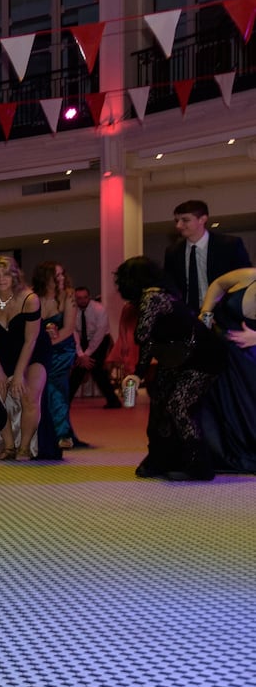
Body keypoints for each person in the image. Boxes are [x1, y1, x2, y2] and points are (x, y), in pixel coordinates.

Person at [116, 256, 225, 480]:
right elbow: (150, 341)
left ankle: (199, 466)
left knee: (178, 406)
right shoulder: (162, 294)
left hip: (201, 356)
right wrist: (138, 373)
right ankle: (160, 459)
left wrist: (139, 367)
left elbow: (142, 335)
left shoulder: (152, 296)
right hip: (180, 356)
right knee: (159, 405)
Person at [0, 256, 60, 461]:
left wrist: (19, 374)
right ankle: (9, 446)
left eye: (5, 274)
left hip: (34, 351)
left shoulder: (29, 299)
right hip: (3, 351)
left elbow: (30, 340)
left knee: (29, 395)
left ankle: (24, 447)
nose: (1, 279)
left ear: (14, 275)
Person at [198, 266, 256, 472]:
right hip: (222, 353)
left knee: (247, 408)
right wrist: (206, 313)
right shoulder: (249, 275)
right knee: (219, 406)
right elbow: (218, 284)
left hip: (250, 359)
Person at [162, 200, 251, 315]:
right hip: (188, 315)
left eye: (185, 220)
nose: (178, 225)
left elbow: (245, 278)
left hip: (224, 312)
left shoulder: (229, 245)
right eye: (177, 221)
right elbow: (171, 286)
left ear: (202, 219)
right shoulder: (173, 252)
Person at [32, 261, 82, 448]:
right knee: (39, 390)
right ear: (45, 278)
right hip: (40, 349)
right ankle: (45, 431)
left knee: (55, 387)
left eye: (62, 274)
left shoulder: (68, 296)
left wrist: (46, 343)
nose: (61, 278)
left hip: (61, 350)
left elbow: (68, 329)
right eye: (56, 275)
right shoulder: (33, 297)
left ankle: (63, 434)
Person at [69, 286, 119, 408]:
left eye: (85, 297)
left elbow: (99, 334)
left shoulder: (99, 309)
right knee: (80, 368)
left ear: (89, 297)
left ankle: (113, 401)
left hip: (101, 340)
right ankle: (113, 401)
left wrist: (87, 354)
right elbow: (73, 332)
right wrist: (80, 354)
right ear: (75, 299)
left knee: (93, 367)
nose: (82, 300)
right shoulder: (72, 310)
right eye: (79, 298)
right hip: (81, 340)